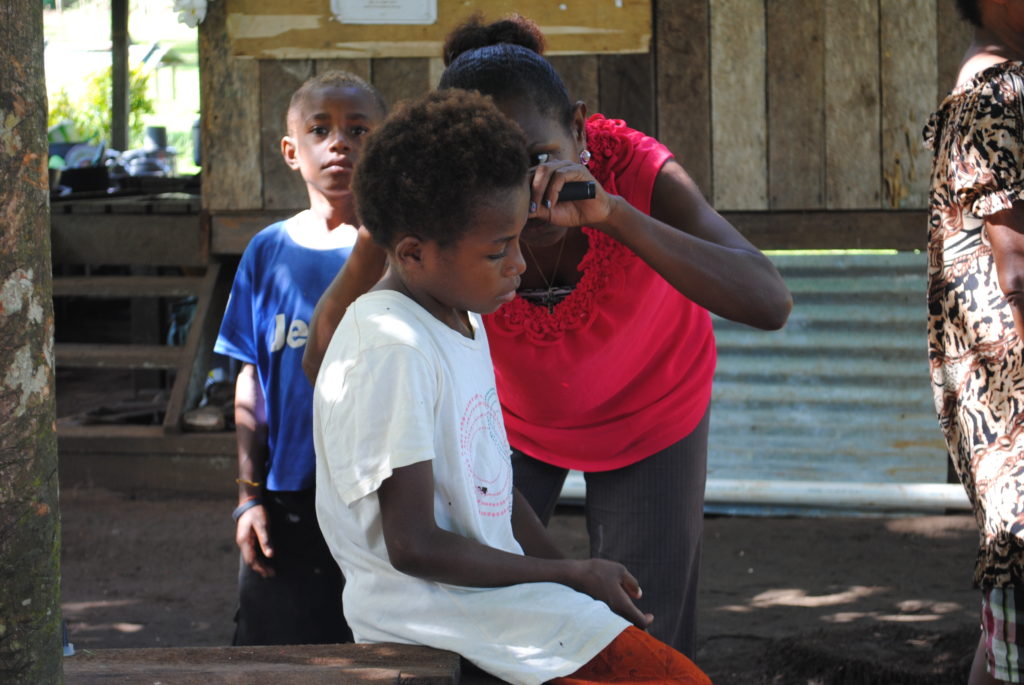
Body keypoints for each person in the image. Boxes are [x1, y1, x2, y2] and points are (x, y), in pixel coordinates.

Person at [303, 14, 792, 658]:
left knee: (646, 627)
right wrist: (563, 574)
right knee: (497, 614)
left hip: (652, 409)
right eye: (498, 171)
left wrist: (614, 215)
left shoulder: (637, 171)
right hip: (509, 422)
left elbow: (768, 300)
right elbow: (334, 356)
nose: (528, 197)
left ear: (581, 128)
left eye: (538, 161)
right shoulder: (432, 208)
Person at [313, 86, 710, 685]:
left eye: (518, 240)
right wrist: (570, 578)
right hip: (439, 619)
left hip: (493, 605)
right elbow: (413, 545)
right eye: (499, 249)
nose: (520, 266)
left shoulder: (456, 317)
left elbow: (491, 485)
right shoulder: (391, 346)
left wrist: (575, 571)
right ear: (415, 254)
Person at [213, 70, 386, 645]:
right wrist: (247, 496)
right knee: (273, 650)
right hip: (289, 494)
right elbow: (251, 383)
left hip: (382, 498)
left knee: (375, 649)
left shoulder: (404, 252)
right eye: (321, 129)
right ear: (291, 151)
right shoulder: (268, 253)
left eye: (359, 129)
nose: (340, 143)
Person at [925, 1, 1024, 683]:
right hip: (1013, 402)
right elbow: (1017, 273)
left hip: (1000, 404)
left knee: (1003, 638)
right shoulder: (997, 94)